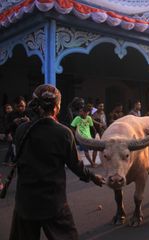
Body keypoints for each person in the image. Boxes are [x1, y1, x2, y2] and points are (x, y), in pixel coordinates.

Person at [9, 84, 105, 240]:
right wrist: (94, 177)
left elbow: (18, 159)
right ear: (57, 107)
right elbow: (76, 166)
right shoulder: (63, 133)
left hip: (25, 203)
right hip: (53, 204)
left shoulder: (21, 130)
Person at [3, 97, 31, 166]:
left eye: (22, 106)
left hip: (28, 137)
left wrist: (29, 121)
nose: (20, 108)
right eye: (18, 106)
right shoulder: (10, 115)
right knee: (15, 153)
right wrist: (13, 123)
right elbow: (6, 128)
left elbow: (37, 124)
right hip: (15, 138)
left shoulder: (30, 112)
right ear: (14, 106)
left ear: (25, 104)